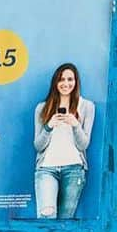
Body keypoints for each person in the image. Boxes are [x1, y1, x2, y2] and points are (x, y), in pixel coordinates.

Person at [33, 63, 94, 220]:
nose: (66, 83)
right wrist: (49, 126)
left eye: (70, 79)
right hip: (46, 169)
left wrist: (75, 125)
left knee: (65, 224)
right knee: (46, 220)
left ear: (76, 81)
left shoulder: (87, 106)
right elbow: (38, 146)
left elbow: (84, 145)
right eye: (61, 79)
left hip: (74, 169)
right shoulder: (42, 108)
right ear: (55, 82)